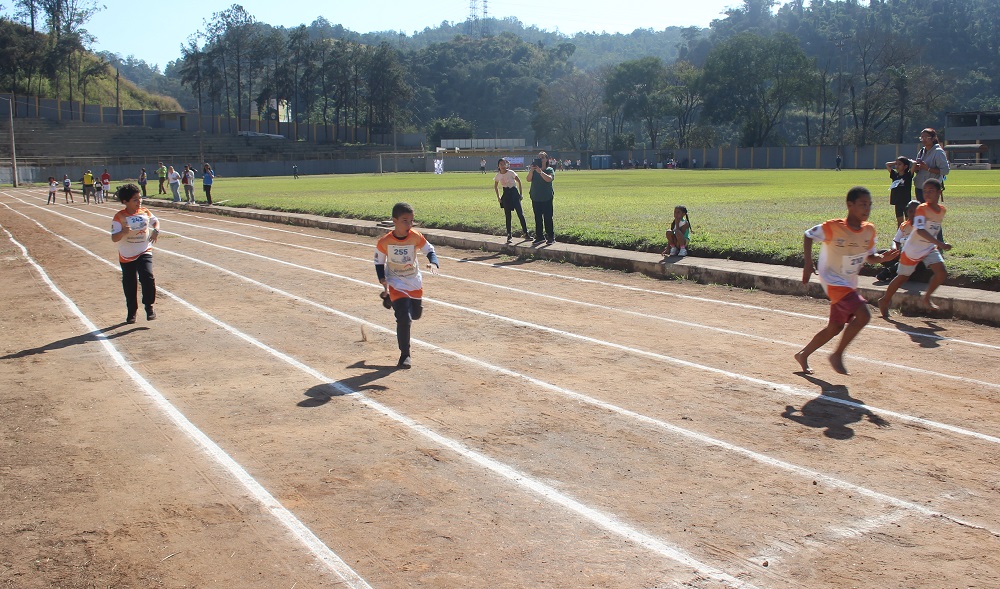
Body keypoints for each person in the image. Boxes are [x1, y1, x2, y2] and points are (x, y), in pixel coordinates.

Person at [795, 186, 898, 375]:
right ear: (850, 205)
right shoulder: (834, 227)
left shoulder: (869, 230)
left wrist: (883, 259)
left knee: (835, 327)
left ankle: (803, 354)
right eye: (862, 204)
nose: (867, 209)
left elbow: (870, 256)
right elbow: (808, 235)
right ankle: (837, 355)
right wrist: (808, 263)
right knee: (864, 315)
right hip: (832, 280)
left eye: (869, 204)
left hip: (848, 282)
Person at [374, 202, 440, 369]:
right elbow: (379, 261)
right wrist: (382, 279)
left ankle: (390, 300)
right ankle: (405, 355)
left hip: (413, 280)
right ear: (394, 221)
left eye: (411, 221)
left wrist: (433, 263)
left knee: (416, 314)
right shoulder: (385, 241)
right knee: (405, 318)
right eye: (405, 221)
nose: (409, 225)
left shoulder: (415, 236)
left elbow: (429, 249)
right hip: (395, 282)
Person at [877, 178, 951, 318]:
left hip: (929, 248)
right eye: (925, 191)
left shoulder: (942, 210)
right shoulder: (921, 209)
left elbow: (934, 228)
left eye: (931, 191)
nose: (927, 194)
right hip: (912, 249)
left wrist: (936, 244)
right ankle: (884, 300)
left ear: (939, 192)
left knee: (941, 272)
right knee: (902, 277)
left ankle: (927, 297)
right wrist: (940, 243)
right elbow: (921, 230)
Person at [111, 183, 159, 324]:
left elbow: (156, 221)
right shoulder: (119, 217)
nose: (139, 202)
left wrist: (156, 231)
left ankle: (149, 307)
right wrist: (123, 232)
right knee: (130, 283)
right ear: (125, 201)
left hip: (144, 250)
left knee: (148, 277)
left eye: (140, 198)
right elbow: (114, 238)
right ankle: (132, 312)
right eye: (135, 199)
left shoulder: (144, 212)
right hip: (127, 254)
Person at [875, 200, 920, 283]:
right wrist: (894, 250)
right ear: (907, 212)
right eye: (910, 211)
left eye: (916, 211)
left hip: (917, 257)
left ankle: (889, 271)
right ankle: (897, 271)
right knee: (881, 254)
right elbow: (896, 241)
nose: (913, 214)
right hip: (902, 253)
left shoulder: (923, 226)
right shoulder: (904, 225)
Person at [493, 157, 531, 243]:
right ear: (498, 166)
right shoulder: (498, 175)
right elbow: (495, 186)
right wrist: (498, 197)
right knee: (508, 215)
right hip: (506, 194)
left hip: (514, 192)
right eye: (501, 164)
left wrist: (520, 194)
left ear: (506, 164)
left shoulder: (511, 172)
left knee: (520, 214)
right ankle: (509, 235)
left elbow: (519, 181)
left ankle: (526, 233)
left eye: (504, 164)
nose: (503, 166)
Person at [913, 128, 949, 203]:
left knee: (929, 212)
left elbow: (945, 171)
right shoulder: (922, 151)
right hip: (919, 186)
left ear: (933, 138)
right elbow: (918, 169)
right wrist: (916, 167)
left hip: (931, 189)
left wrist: (928, 168)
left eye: (926, 137)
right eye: (922, 137)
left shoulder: (938, 152)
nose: (923, 139)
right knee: (921, 212)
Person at [527, 151, 555, 246]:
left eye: (542, 157)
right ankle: (539, 237)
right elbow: (528, 179)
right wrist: (532, 170)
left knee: (548, 218)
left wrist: (540, 172)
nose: (540, 159)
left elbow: (549, 179)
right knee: (537, 218)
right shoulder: (534, 170)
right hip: (536, 197)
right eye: (539, 157)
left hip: (546, 197)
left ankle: (550, 237)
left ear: (546, 159)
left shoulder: (549, 169)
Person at [886, 156, 914, 226]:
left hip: (906, 202)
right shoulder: (895, 175)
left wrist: (909, 161)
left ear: (905, 166)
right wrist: (896, 162)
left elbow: (915, 164)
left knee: (908, 222)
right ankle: (900, 236)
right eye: (896, 164)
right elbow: (887, 164)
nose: (897, 166)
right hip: (897, 202)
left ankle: (908, 236)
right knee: (900, 223)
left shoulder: (908, 175)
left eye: (899, 164)